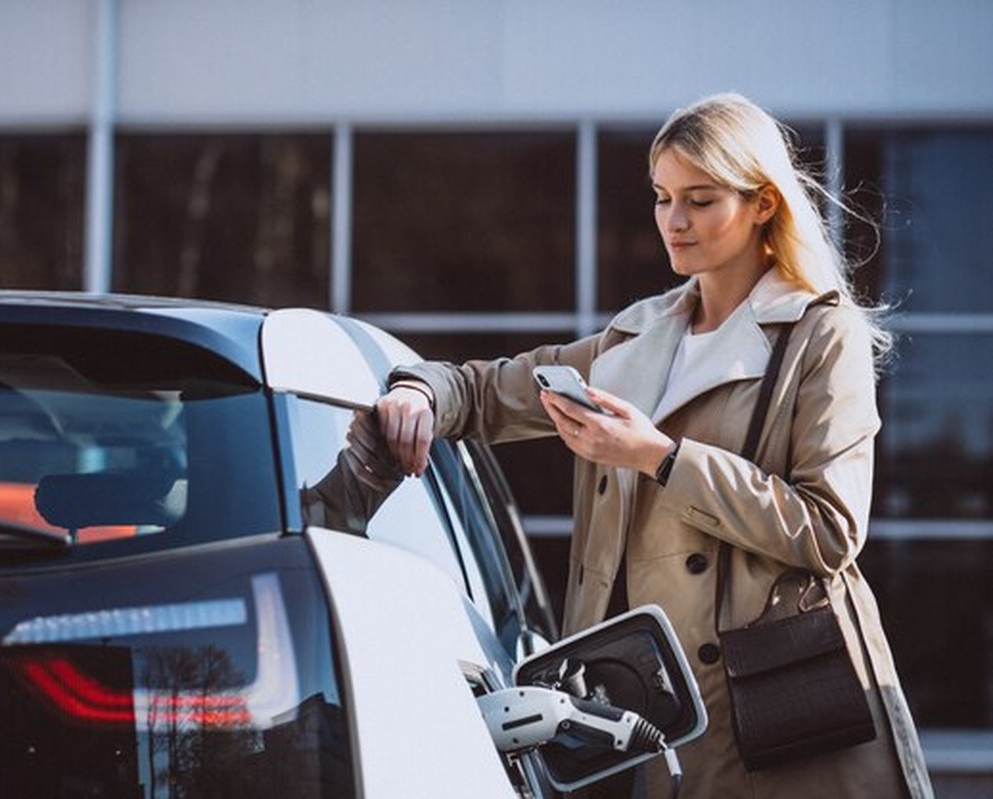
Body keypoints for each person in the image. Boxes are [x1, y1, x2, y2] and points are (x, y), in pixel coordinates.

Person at [373, 93, 933, 799]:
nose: (674, 220)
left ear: (763, 203)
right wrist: (418, 392)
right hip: (636, 705)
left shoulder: (821, 335)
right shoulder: (636, 337)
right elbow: (489, 392)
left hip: (770, 707)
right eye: (663, 197)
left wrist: (659, 457)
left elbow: (828, 528)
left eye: (699, 199)